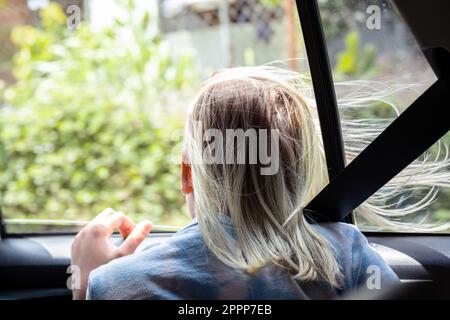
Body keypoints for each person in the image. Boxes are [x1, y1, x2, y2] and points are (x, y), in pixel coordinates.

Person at [71, 66, 401, 300]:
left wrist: (86, 284)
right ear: (300, 172)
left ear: (188, 175)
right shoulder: (347, 256)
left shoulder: (120, 285)